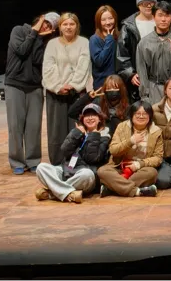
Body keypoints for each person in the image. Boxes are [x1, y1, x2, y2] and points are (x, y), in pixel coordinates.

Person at [6, 12, 58, 174]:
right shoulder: (19, 31)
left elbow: (36, 60)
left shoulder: (46, 43)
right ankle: (16, 161)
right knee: (15, 126)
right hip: (15, 84)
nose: (46, 26)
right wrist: (34, 32)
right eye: (45, 22)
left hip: (35, 86)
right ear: (40, 19)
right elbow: (22, 50)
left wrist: (40, 39)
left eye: (50, 26)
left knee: (34, 126)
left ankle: (33, 160)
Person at [34, 103, 111, 204]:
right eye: (87, 115)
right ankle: (66, 193)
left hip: (84, 175)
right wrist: (76, 134)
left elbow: (92, 158)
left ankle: (53, 192)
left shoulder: (105, 136)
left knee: (87, 175)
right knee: (41, 167)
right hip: (67, 171)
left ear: (100, 118)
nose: (90, 118)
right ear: (82, 119)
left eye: (93, 115)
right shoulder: (78, 131)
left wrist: (93, 135)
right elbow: (64, 151)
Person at [42, 12, 91, 165]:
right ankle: (57, 162)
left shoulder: (84, 42)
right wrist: (58, 86)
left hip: (76, 94)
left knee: (76, 128)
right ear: (60, 27)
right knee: (56, 129)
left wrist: (73, 85)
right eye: (65, 24)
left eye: (72, 24)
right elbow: (48, 67)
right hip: (55, 93)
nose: (68, 27)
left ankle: (74, 162)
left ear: (77, 26)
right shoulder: (52, 44)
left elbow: (83, 66)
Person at [97, 100, 162, 197]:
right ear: (131, 115)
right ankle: (137, 191)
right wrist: (130, 141)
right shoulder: (122, 127)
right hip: (119, 166)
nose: (141, 116)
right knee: (102, 171)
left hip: (140, 170)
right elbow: (113, 150)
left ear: (150, 116)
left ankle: (113, 188)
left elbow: (158, 158)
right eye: (137, 114)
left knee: (152, 173)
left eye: (144, 114)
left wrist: (139, 164)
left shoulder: (156, 131)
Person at [118, 0, 158, 102]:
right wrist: (130, 74)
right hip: (139, 76)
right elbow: (122, 54)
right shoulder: (128, 27)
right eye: (144, 3)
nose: (148, 6)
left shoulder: (161, 21)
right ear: (138, 5)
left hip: (159, 75)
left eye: (151, 3)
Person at [89, 5, 119, 91]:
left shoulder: (120, 36)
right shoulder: (94, 39)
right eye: (103, 20)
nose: (108, 22)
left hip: (119, 83)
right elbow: (99, 61)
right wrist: (109, 39)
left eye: (110, 18)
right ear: (98, 21)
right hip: (102, 85)